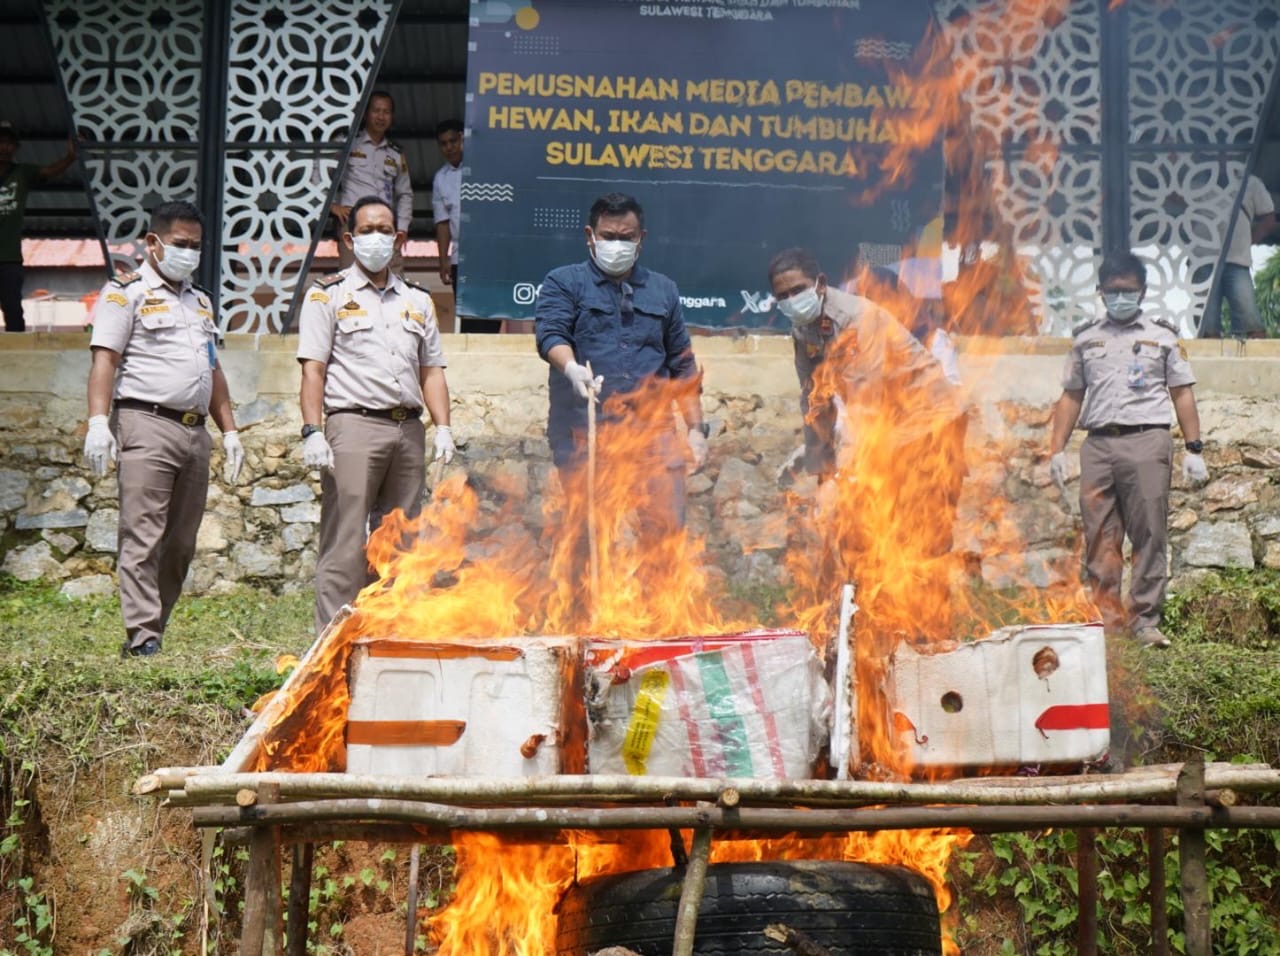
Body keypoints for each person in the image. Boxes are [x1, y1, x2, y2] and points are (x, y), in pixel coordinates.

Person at [769, 247, 966, 640]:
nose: (792, 300)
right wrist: (823, 475)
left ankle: (932, 641)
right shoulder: (803, 329)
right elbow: (814, 402)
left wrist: (849, 478)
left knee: (921, 540)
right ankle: (881, 633)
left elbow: (870, 406)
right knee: (870, 538)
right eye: (783, 296)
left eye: (799, 289)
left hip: (929, 428)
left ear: (820, 284)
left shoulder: (859, 320)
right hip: (889, 431)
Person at [82, 200, 244, 657]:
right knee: (142, 534)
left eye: (196, 245)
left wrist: (230, 430)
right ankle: (143, 636)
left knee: (180, 544)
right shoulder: (124, 293)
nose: (189, 253)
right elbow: (104, 362)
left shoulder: (201, 301)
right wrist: (98, 422)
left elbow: (212, 371)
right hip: (145, 421)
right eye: (180, 244)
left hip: (195, 432)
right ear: (153, 243)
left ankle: (156, 627)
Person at [298, 195, 454, 634]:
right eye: (366, 231)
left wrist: (442, 426)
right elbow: (313, 369)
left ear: (399, 238)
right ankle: (332, 641)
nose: (376, 239)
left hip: (408, 429)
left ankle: (388, 632)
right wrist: (312, 431)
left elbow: (432, 370)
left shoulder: (418, 300)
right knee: (346, 539)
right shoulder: (327, 295)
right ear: (349, 238)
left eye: (384, 230)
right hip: (353, 425)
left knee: (402, 539)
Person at [1049, 250, 1207, 648]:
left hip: (1147, 440)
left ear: (1143, 291)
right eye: (1114, 291)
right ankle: (1107, 620)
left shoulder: (1163, 336)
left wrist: (1194, 448)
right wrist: (1055, 450)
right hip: (1098, 444)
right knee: (1100, 535)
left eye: (1129, 290)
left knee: (1149, 532)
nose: (1122, 297)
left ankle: (1145, 621)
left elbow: (1182, 393)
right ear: (1101, 292)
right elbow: (1070, 397)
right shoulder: (1086, 340)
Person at [534, 192, 707, 537]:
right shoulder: (564, 282)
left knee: (666, 532)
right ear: (590, 237)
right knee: (588, 537)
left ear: (641, 239)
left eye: (626, 238)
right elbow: (550, 335)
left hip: (653, 433)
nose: (617, 244)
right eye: (608, 237)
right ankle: (583, 594)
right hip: (586, 431)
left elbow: (682, 367)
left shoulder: (664, 290)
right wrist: (570, 368)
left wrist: (696, 430)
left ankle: (657, 593)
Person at [0, 121, 77, 332]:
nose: (4, 147)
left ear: (15, 147)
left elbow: (50, 171)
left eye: (9, 143)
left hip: (9, 258)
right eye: (0, 142)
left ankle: (19, 359)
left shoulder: (22, 173)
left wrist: (71, 157)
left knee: (13, 309)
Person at [330, 92, 412, 270]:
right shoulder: (348, 143)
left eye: (386, 112)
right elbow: (318, 173)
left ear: (392, 117)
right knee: (352, 280)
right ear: (366, 114)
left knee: (393, 280)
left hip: (385, 223)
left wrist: (403, 228)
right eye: (376, 111)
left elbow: (405, 193)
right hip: (353, 220)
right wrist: (332, 206)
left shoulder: (395, 152)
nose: (381, 116)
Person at [1201, 173, 1275, 338]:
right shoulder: (1197, 181)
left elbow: (1269, 219)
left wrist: (1248, 241)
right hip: (1204, 262)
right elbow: (1173, 195)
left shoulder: (1251, 182)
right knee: (1208, 328)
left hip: (1237, 262)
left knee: (1253, 326)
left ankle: (1259, 364)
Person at [432, 119, 463, 289]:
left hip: (487, 254)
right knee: (463, 313)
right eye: (444, 144)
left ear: (462, 139)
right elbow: (442, 223)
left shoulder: (483, 168)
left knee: (490, 313)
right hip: (459, 257)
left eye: (453, 141)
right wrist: (443, 260)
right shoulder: (440, 178)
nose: (449, 147)